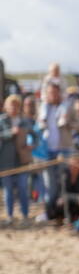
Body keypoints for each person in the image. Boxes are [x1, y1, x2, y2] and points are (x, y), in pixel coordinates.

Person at [37, 80, 79, 217]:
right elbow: (38, 126)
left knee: (63, 183)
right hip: (47, 151)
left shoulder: (68, 106)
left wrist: (67, 122)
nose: (53, 95)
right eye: (50, 92)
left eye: (55, 92)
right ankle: (50, 213)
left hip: (64, 150)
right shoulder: (43, 107)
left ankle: (61, 213)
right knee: (49, 185)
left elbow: (78, 125)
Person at [0, 95, 34, 225]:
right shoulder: (2, 120)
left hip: (22, 160)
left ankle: (25, 216)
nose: (13, 108)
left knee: (23, 188)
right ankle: (9, 216)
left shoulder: (24, 121)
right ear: (6, 107)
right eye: (11, 105)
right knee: (8, 190)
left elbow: (35, 135)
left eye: (16, 105)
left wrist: (32, 144)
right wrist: (10, 132)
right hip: (6, 161)